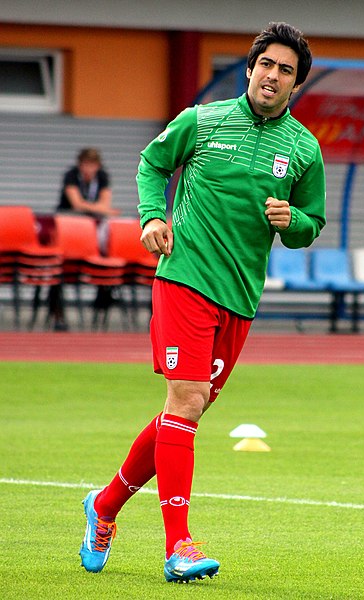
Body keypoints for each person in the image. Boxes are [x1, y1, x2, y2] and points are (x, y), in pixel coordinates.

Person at [79, 22, 326, 583]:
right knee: (187, 400)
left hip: (239, 297)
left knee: (183, 412)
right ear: (250, 67)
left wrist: (296, 221)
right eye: (267, 64)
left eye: (286, 71)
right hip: (185, 277)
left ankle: (104, 506)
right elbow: (151, 163)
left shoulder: (304, 148)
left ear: (296, 86)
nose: (273, 75)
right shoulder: (204, 119)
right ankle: (179, 546)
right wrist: (151, 215)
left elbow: (312, 225)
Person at [50, 148, 120, 330]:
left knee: (108, 257)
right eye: (86, 165)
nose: (89, 169)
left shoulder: (102, 177)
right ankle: (57, 314)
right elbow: (76, 204)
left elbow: (106, 204)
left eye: (93, 165)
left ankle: (102, 302)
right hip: (68, 228)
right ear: (80, 165)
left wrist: (96, 208)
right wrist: (98, 209)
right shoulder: (71, 176)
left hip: (92, 231)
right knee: (57, 268)